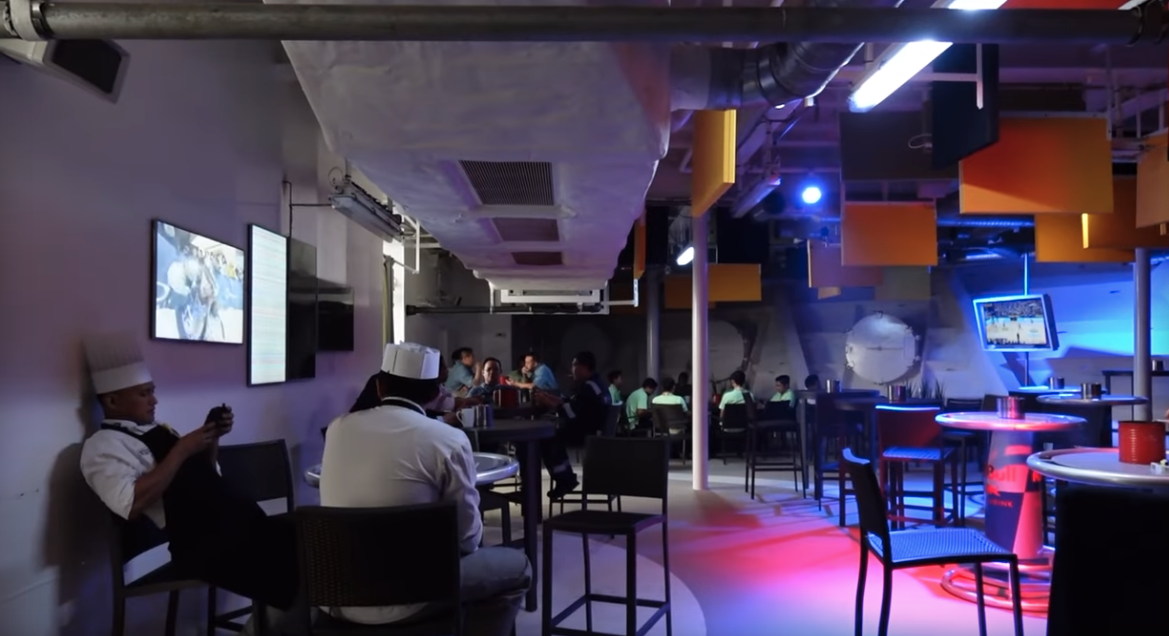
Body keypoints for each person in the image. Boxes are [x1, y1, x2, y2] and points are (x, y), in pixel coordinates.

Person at [78, 332, 303, 635]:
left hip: (233, 525)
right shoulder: (102, 446)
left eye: (152, 391)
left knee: (311, 543)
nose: (154, 400)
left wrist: (211, 437)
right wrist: (183, 448)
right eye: (144, 393)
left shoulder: (160, 430)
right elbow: (129, 505)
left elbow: (206, 476)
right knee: (294, 565)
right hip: (199, 544)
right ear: (113, 400)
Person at [320, 343, 530, 636]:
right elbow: (468, 539)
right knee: (519, 568)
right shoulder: (449, 440)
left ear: (379, 387)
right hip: (416, 595)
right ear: (435, 394)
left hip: (336, 592)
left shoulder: (337, 429)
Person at [530, 351, 611, 498]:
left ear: (584, 367)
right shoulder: (595, 384)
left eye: (575, 365)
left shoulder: (588, 387)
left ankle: (565, 480)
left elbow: (572, 413)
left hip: (588, 433)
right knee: (551, 433)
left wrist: (551, 404)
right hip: (594, 430)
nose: (572, 369)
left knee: (547, 438)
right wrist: (553, 399)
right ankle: (565, 478)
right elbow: (576, 406)